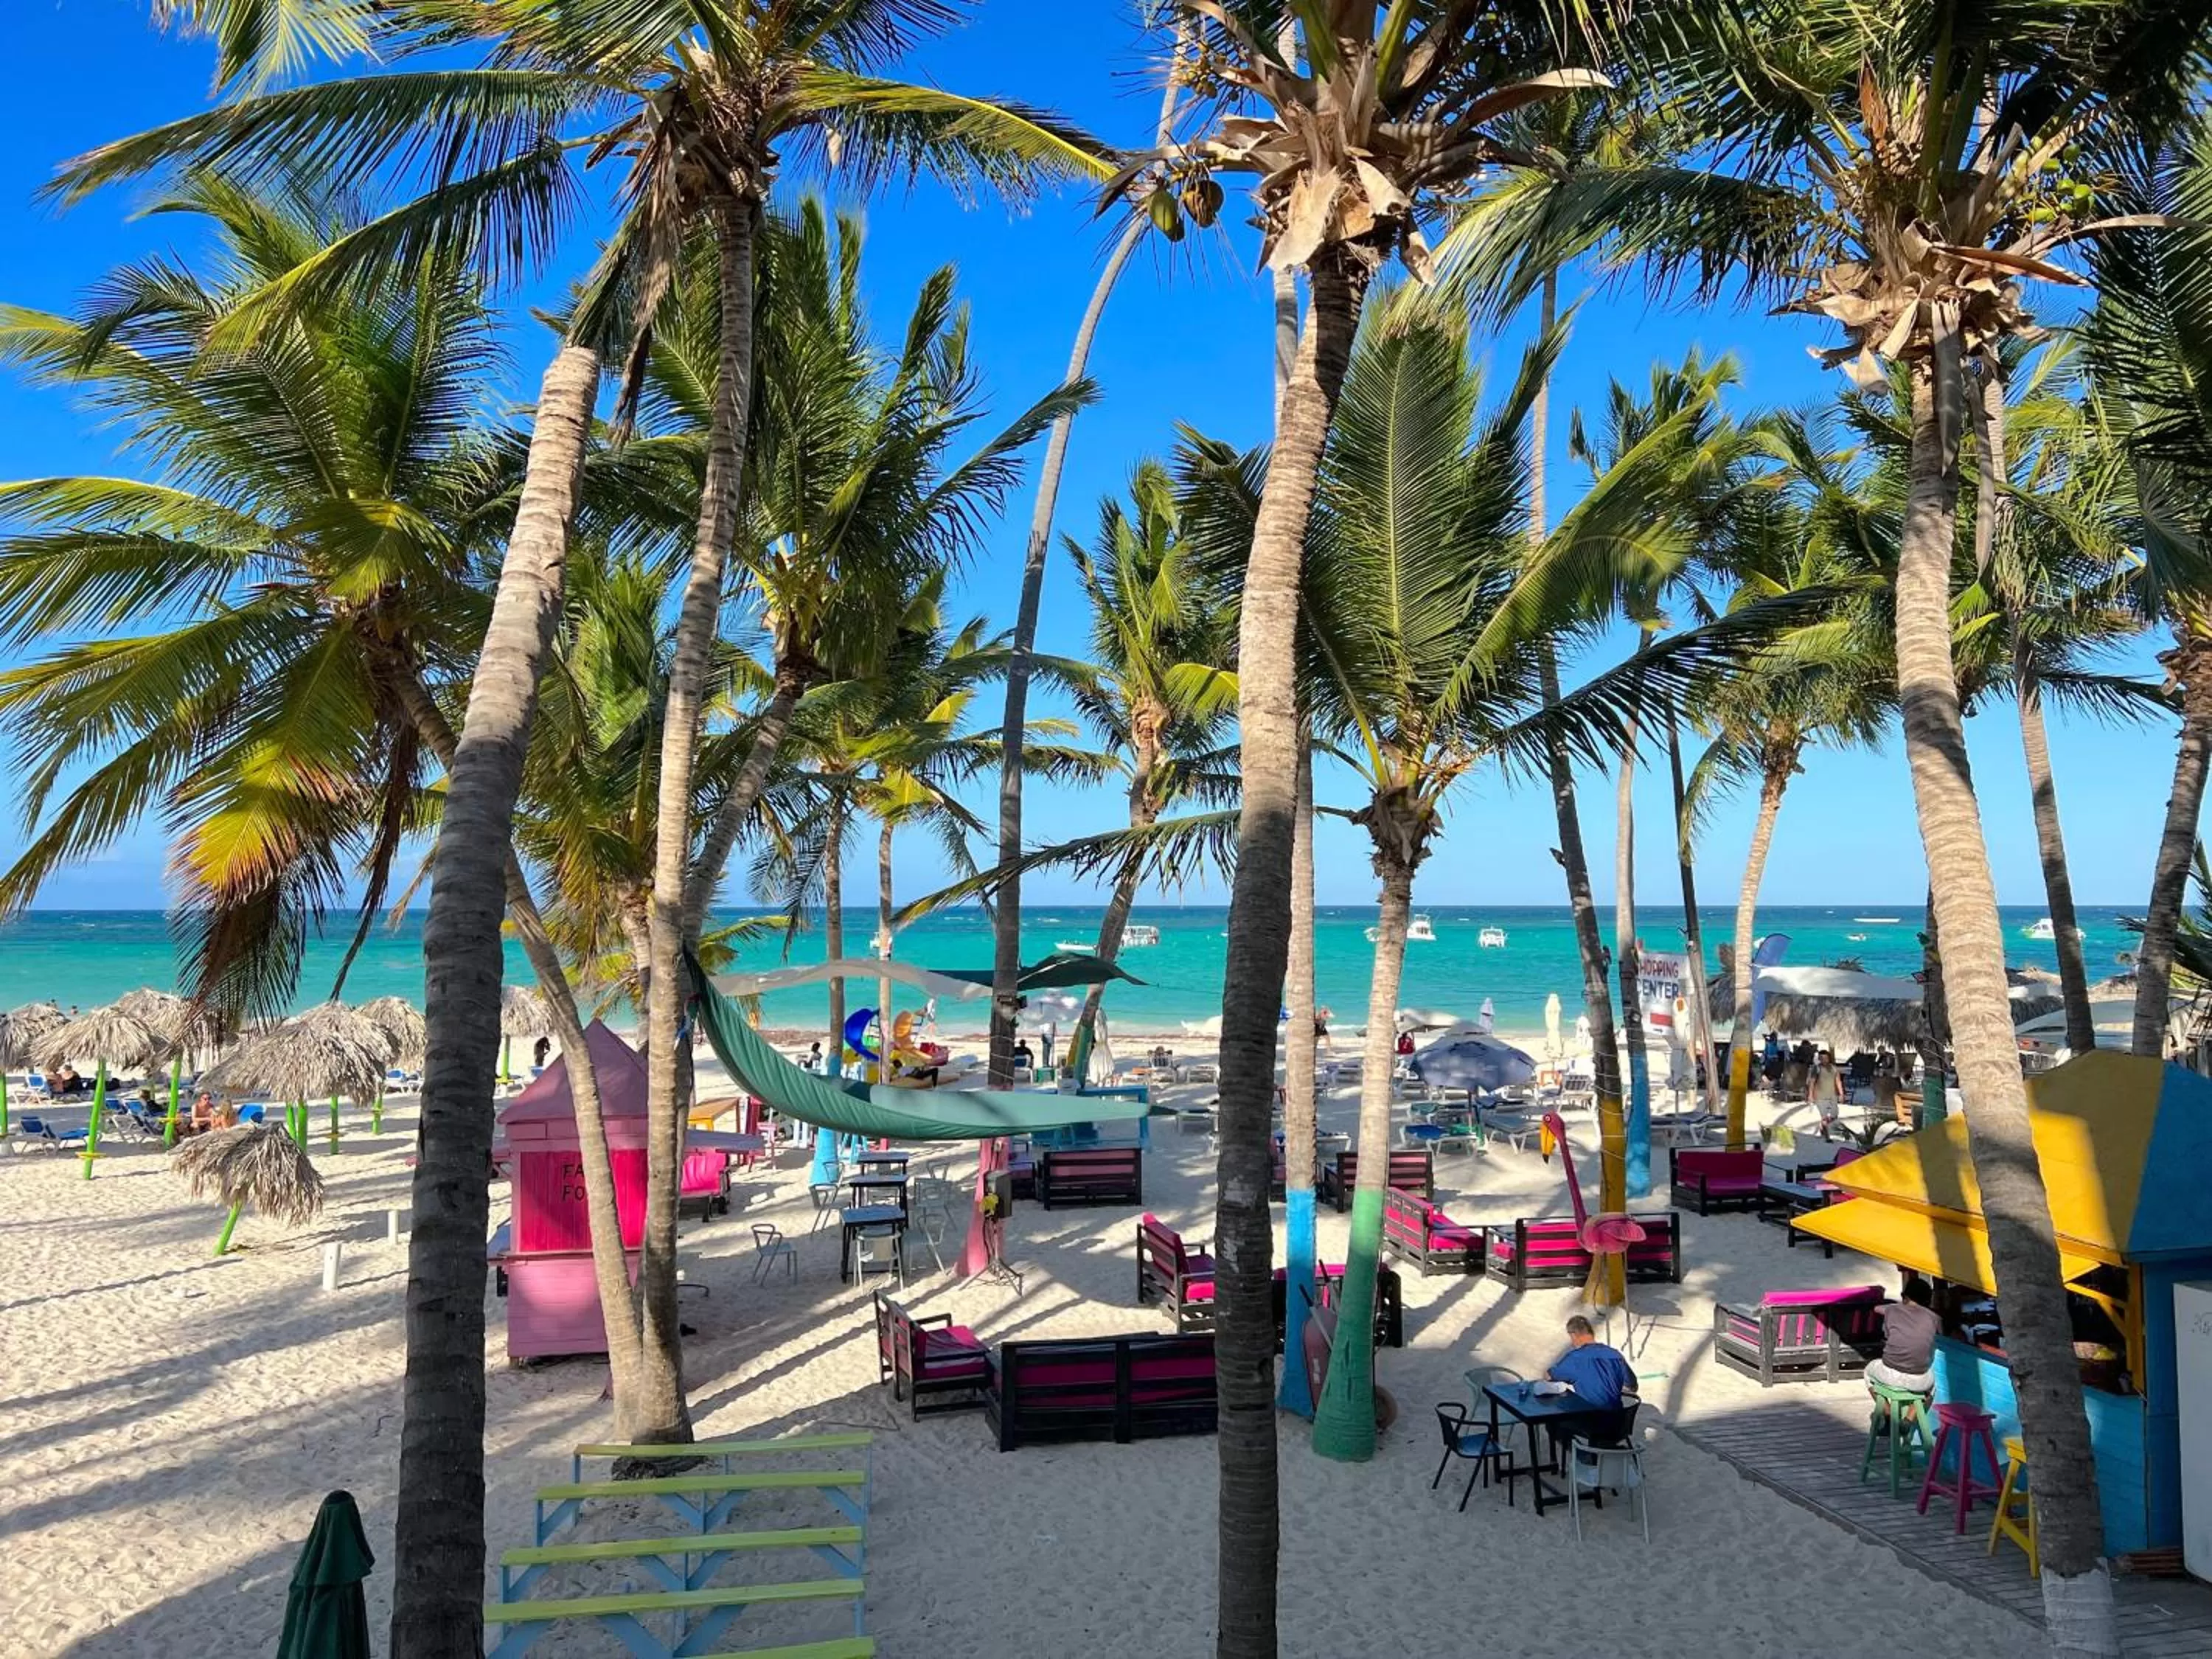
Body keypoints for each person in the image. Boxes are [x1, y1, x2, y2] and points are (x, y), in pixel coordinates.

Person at [1868, 1276, 1941, 1396]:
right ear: (1928, 1300)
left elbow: (1887, 1335)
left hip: (1890, 1373)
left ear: (1905, 1297)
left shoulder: (1892, 1311)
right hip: (1919, 1378)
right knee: (1933, 1386)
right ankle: (1911, 1414)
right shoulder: (1935, 1318)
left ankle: (1885, 1409)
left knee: (1868, 1371)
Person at [1549, 1315, 1639, 1409]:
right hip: (1617, 1421)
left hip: (1588, 1420)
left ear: (1573, 1335)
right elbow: (1632, 1386)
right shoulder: (1615, 1355)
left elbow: (1549, 1376)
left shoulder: (1575, 1358)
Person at [1807, 1048, 1845, 1128]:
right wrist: (1810, 1095)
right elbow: (1812, 1082)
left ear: (1829, 1058)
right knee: (1823, 1117)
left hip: (1832, 1095)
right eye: (1822, 1058)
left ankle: (1825, 1127)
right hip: (1820, 1097)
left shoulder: (1834, 1068)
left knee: (1834, 1115)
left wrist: (1841, 1094)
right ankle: (1826, 1135)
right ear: (1819, 1059)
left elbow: (1838, 1081)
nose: (1824, 1060)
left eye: (1826, 1058)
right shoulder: (1816, 1068)